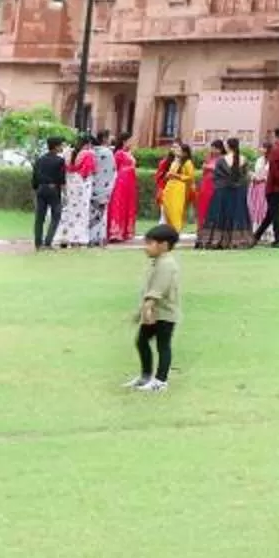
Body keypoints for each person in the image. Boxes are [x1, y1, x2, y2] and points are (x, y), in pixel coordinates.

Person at [128, 221, 182, 392]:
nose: (146, 247)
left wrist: (148, 308)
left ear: (164, 245)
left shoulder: (167, 264)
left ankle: (160, 381)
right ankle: (145, 376)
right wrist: (141, 311)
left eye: (150, 244)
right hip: (152, 312)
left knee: (162, 346)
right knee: (141, 342)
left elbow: (158, 288)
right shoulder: (158, 261)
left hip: (164, 314)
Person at [198, 140, 254, 252]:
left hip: (223, 192)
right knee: (236, 215)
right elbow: (245, 178)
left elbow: (217, 177)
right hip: (238, 192)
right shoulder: (243, 159)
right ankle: (238, 240)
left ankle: (218, 240)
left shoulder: (221, 160)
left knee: (220, 215)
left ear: (228, 147)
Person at [59, 133, 100, 249]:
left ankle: (65, 237)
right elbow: (89, 171)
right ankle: (78, 239)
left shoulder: (68, 153)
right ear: (88, 144)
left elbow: (66, 168)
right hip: (82, 185)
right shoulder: (88, 154)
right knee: (81, 212)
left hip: (70, 184)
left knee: (69, 210)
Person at [31, 137, 68, 249]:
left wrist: (36, 189)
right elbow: (61, 179)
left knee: (39, 218)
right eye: (61, 145)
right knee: (56, 216)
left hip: (41, 189)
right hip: (53, 190)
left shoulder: (39, 159)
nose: (62, 147)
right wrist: (65, 194)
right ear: (56, 146)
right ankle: (48, 242)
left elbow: (34, 177)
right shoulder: (60, 161)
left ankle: (38, 243)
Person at [105, 135, 139, 244]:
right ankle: (115, 232)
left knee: (127, 205)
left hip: (130, 183)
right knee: (119, 205)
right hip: (121, 182)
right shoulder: (119, 153)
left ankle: (125, 231)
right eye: (130, 140)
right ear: (124, 141)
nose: (132, 142)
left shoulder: (129, 153)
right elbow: (114, 168)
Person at [157, 146, 195, 234]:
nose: (177, 151)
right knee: (167, 209)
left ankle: (176, 231)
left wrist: (176, 176)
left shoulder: (188, 163)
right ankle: (169, 230)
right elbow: (170, 173)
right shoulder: (176, 161)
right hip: (170, 188)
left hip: (179, 189)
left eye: (179, 150)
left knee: (176, 210)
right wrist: (168, 175)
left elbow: (190, 178)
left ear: (185, 153)